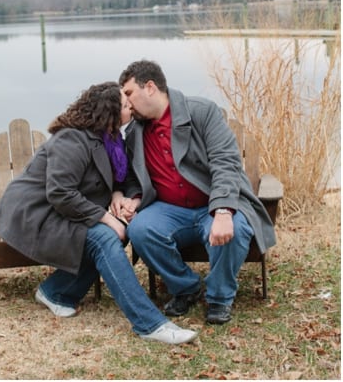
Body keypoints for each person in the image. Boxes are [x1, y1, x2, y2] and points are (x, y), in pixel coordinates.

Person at [0, 82, 197, 344]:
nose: (131, 107)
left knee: (116, 235)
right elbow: (60, 193)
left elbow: (117, 179)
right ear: (109, 113)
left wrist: (118, 196)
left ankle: (56, 291)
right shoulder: (72, 139)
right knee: (106, 236)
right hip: (37, 214)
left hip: (63, 210)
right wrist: (107, 217)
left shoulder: (110, 139)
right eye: (125, 105)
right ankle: (149, 324)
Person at [118, 60, 277, 325]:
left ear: (149, 87)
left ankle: (219, 297)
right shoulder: (135, 131)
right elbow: (134, 177)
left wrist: (224, 210)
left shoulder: (201, 112)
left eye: (128, 93)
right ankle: (185, 287)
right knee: (140, 230)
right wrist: (134, 198)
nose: (126, 102)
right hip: (169, 210)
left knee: (234, 229)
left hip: (211, 203)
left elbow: (225, 162)